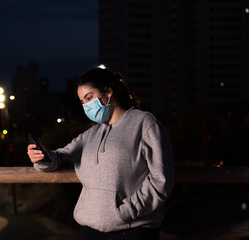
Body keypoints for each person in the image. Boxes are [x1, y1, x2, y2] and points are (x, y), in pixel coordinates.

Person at [27, 67, 174, 240]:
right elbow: (60, 157)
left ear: (108, 91)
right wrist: (42, 157)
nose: (86, 106)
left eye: (89, 97)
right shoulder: (91, 134)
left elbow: (161, 180)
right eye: (83, 102)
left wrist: (126, 212)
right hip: (90, 229)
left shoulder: (145, 124)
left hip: (132, 229)